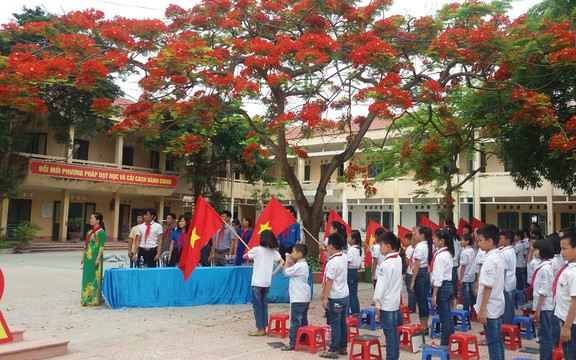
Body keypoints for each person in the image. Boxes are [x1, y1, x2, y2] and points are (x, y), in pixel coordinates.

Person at [243, 229, 284, 336]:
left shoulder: (256, 250)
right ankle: (264, 327)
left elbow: (245, 256)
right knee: (264, 305)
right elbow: (282, 262)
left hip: (257, 282)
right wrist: (274, 272)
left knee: (257, 305)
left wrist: (249, 253)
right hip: (267, 282)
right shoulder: (273, 252)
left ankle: (260, 328)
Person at [474, 224, 505, 359]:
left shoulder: (490, 260)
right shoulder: (498, 257)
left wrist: (482, 309)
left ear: (490, 241)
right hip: (496, 304)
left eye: (480, 240)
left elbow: (488, 286)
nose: (478, 243)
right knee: (497, 340)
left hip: (490, 306)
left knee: (493, 342)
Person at [373, 232, 403, 360]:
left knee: (389, 332)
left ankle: (391, 357)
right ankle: (395, 356)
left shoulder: (385, 264)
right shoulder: (398, 259)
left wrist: (377, 303)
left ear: (389, 246)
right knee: (394, 331)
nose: (380, 248)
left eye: (381, 245)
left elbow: (381, 287)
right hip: (395, 300)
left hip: (386, 303)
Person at [320, 233, 349, 359]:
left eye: (327, 246)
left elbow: (329, 281)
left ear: (331, 246)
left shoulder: (333, 262)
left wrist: (325, 298)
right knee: (342, 321)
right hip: (344, 295)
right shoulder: (343, 256)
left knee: (335, 322)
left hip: (336, 296)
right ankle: (343, 346)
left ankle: (333, 349)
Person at [281, 244, 311, 351]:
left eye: (293, 252)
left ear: (299, 254)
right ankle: (302, 339)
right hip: (304, 297)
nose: (291, 254)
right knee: (302, 320)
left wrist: (287, 259)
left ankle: (293, 342)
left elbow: (285, 272)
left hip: (298, 297)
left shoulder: (299, 266)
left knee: (295, 321)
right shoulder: (302, 264)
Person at [430, 228, 455, 346]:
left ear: (442, 241)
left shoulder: (440, 256)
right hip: (448, 285)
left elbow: (439, 277)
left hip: (442, 287)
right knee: (447, 316)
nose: (433, 240)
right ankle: (450, 339)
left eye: (435, 238)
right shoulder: (447, 253)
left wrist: (434, 294)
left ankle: (444, 345)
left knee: (444, 318)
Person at [531, 238, 554, 360]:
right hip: (542, 306)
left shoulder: (545, 268)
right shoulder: (542, 265)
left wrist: (538, 309)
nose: (534, 252)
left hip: (544, 307)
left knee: (544, 337)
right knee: (543, 335)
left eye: (536, 250)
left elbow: (544, 290)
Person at [554, 231, 576, 358]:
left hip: (572, 323)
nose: (561, 252)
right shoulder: (568, 268)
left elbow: (574, 301)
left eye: (565, 248)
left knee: (571, 354)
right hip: (567, 319)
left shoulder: (574, 273)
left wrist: (567, 327)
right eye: (561, 248)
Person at [409, 225, 433, 334]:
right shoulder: (428, 245)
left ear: (422, 235)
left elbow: (417, 265)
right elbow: (413, 245)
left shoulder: (420, 247)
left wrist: (413, 280)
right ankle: (424, 323)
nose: (415, 235)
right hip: (426, 272)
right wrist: (413, 234)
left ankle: (423, 326)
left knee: (421, 300)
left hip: (420, 273)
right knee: (423, 299)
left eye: (416, 234)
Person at [80, 212, 106, 306]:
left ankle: (94, 299)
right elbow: (85, 245)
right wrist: (83, 257)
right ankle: (85, 298)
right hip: (88, 257)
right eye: (90, 218)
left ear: (98, 220)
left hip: (95, 257)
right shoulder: (89, 232)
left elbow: (101, 247)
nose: (90, 220)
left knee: (95, 277)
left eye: (92, 218)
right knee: (86, 277)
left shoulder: (101, 232)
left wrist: (98, 258)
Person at [499, 230, 516, 325]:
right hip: (511, 281)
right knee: (510, 305)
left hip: (506, 282)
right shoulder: (511, 250)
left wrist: (502, 285)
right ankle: (511, 325)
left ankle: (507, 326)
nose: (499, 241)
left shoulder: (504, 253)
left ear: (508, 240)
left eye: (501, 239)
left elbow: (503, 270)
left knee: (506, 307)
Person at [459, 234, 476, 313]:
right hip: (471, 275)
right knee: (472, 294)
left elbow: (463, 266)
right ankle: (473, 311)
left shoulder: (464, 252)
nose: (460, 242)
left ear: (467, 241)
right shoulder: (472, 250)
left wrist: (461, 278)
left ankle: (465, 312)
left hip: (465, 276)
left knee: (465, 296)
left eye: (462, 240)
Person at [346, 230, 362, 317]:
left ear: (354, 240)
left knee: (351, 295)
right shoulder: (358, 249)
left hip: (350, 271)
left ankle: (355, 314)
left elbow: (348, 261)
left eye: (349, 237)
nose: (347, 239)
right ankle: (356, 312)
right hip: (355, 271)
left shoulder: (351, 250)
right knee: (354, 294)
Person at [404, 233, 417, 313]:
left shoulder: (409, 249)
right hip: (415, 272)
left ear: (409, 240)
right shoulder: (417, 247)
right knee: (414, 290)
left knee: (410, 291)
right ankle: (414, 307)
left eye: (405, 240)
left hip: (409, 272)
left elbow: (407, 261)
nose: (404, 241)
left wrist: (404, 272)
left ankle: (410, 307)